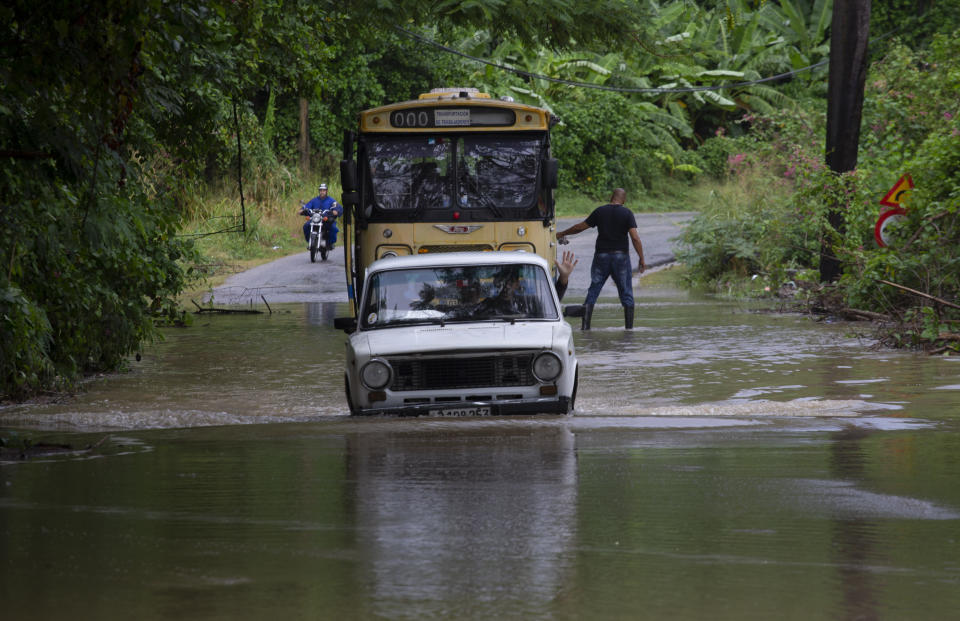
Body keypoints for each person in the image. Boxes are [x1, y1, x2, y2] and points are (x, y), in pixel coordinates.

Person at [555, 188, 645, 330]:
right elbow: (635, 238)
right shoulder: (627, 213)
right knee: (626, 292)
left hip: (601, 257)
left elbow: (580, 227)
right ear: (624, 200)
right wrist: (641, 258)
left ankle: (585, 327)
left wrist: (561, 233)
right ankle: (629, 330)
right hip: (621, 257)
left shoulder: (600, 211)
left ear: (611, 197)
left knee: (594, 289)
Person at [300, 183, 341, 249]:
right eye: (321, 190)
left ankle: (330, 243)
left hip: (325, 219)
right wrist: (302, 210)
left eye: (324, 190)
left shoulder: (331, 200)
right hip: (315, 219)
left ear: (326, 191)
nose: (322, 192)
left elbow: (337, 206)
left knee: (333, 228)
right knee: (306, 226)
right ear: (319, 191)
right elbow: (307, 206)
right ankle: (310, 241)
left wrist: (336, 211)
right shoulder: (314, 200)